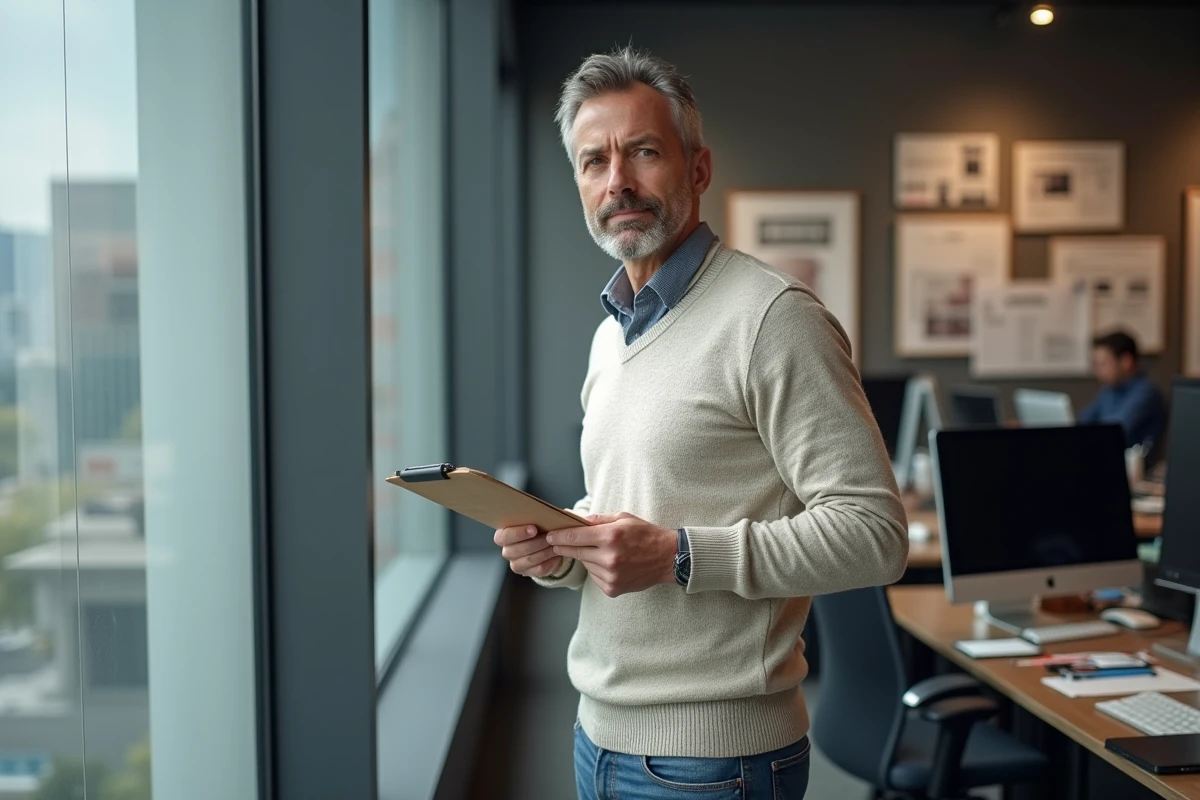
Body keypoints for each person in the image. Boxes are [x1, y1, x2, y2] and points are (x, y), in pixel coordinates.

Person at [491, 47, 907, 800]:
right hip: (597, 737)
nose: (616, 180)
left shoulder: (775, 319)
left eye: (642, 152)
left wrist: (680, 556)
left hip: (714, 765)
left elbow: (874, 536)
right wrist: (558, 546)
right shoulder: (611, 332)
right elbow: (638, 507)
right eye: (593, 162)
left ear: (699, 168)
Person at [1078, 331, 1166, 451]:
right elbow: (1083, 420)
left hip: (1133, 465)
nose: (1097, 371)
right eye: (1096, 364)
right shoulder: (1110, 389)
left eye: (1103, 364)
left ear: (1126, 362)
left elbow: (1113, 432)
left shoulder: (1146, 392)